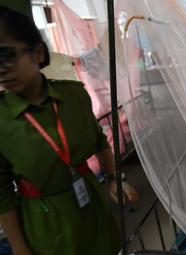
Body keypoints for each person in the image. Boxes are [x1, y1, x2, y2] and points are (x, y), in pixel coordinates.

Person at [0, 6, 138, 255]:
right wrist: (20, 248)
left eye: (6, 56)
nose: (0, 68)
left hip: (92, 205)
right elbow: (2, 194)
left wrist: (115, 178)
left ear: (38, 52)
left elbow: (99, 140)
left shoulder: (73, 95)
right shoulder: (2, 119)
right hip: (46, 222)